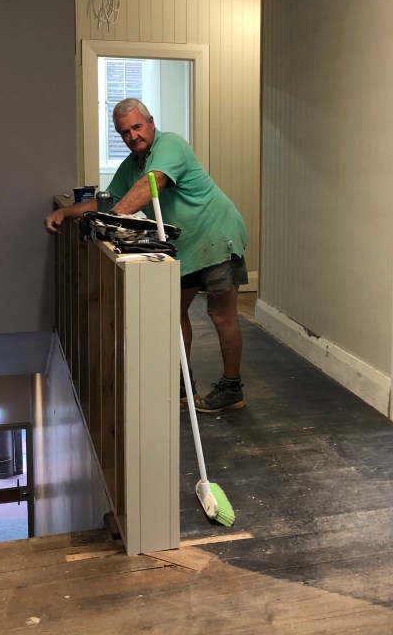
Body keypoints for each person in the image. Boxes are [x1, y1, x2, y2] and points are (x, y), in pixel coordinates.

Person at [45, 98, 248, 413]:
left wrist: (110, 222)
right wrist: (67, 213)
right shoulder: (132, 164)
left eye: (137, 127)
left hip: (217, 234)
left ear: (151, 123)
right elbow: (107, 200)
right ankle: (181, 383)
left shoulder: (170, 145)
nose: (132, 136)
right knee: (174, 313)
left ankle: (232, 388)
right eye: (124, 132)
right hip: (186, 246)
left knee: (221, 315)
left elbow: (148, 186)